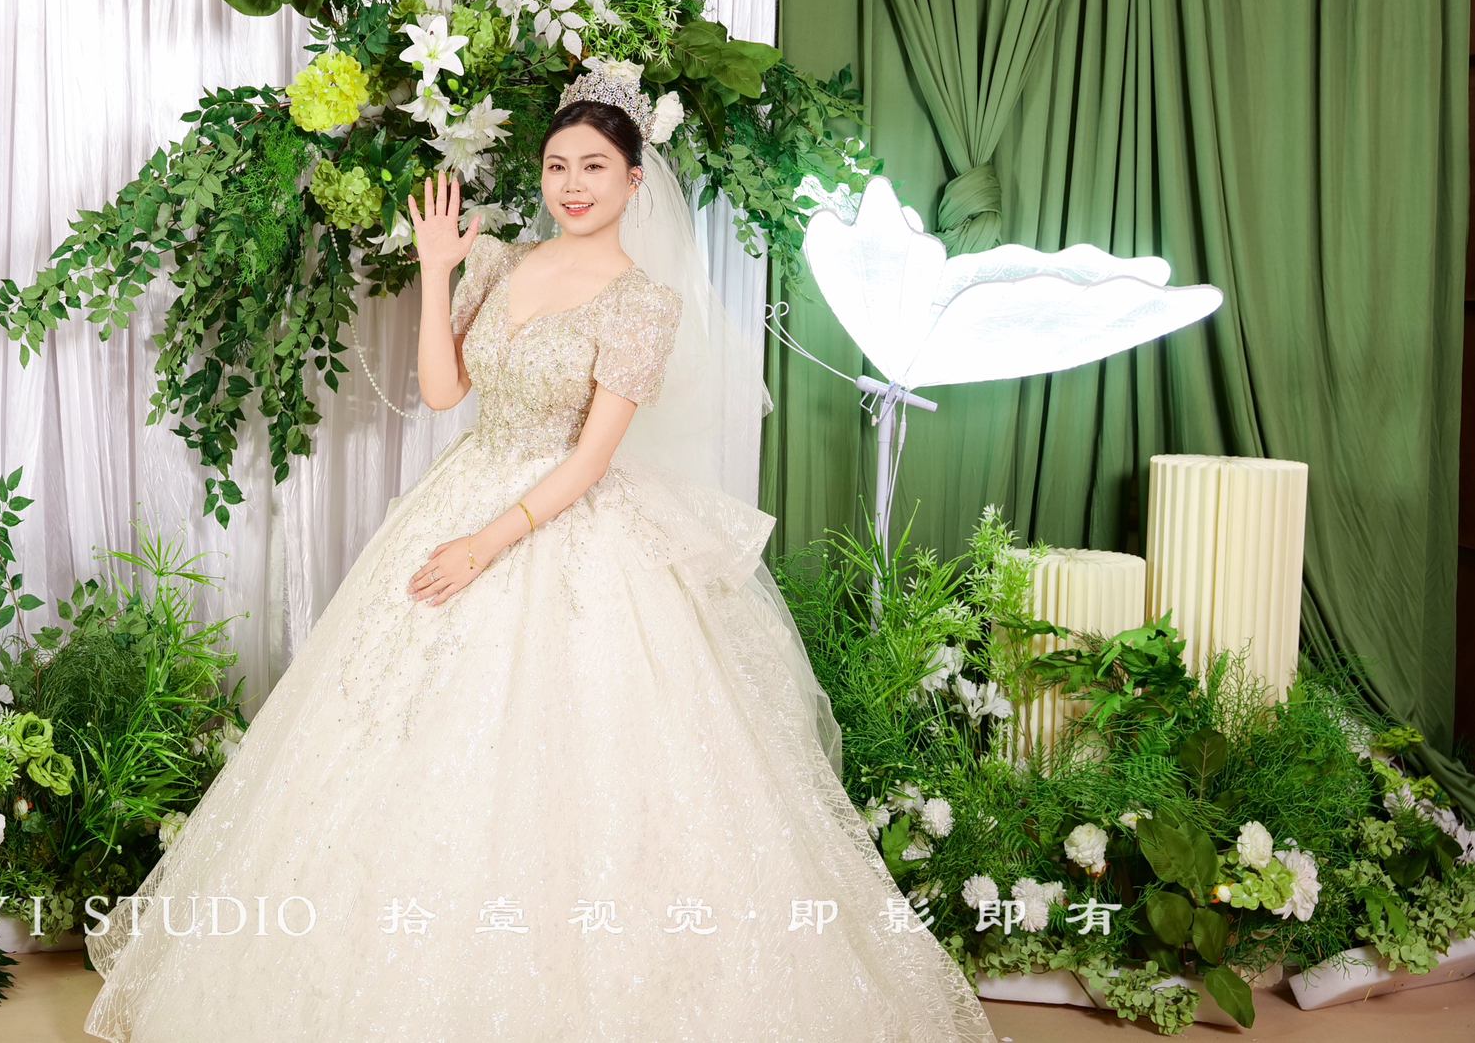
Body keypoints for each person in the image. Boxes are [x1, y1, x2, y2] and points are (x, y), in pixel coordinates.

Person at [83, 65, 996, 1042]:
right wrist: (437, 271)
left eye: (594, 166)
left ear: (634, 179)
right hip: (464, 484)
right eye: (559, 164)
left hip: (562, 521)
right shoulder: (501, 262)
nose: (572, 183)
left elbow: (591, 461)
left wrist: (483, 544)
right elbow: (444, 392)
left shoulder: (642, 305)